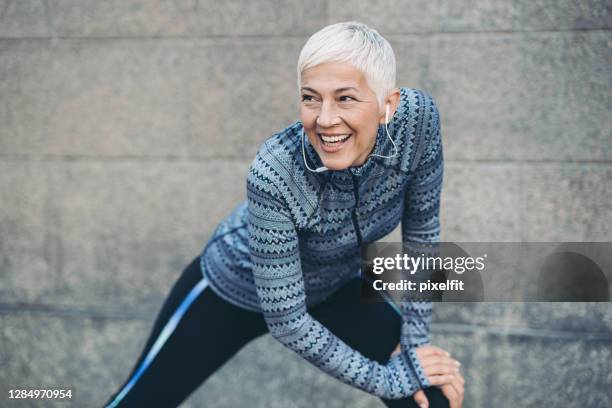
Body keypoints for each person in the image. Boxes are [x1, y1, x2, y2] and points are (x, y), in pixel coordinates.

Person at [104, 21, 464, 408]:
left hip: (335, 287)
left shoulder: (418, 122)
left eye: (345, 99)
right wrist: (387, 378)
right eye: (311, 98)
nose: (325, 119)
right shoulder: (275, 171)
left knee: (429, 398)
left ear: (387, 105)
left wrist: (414, 351)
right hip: (235, 289)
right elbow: (288, 321)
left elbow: (422, 233)